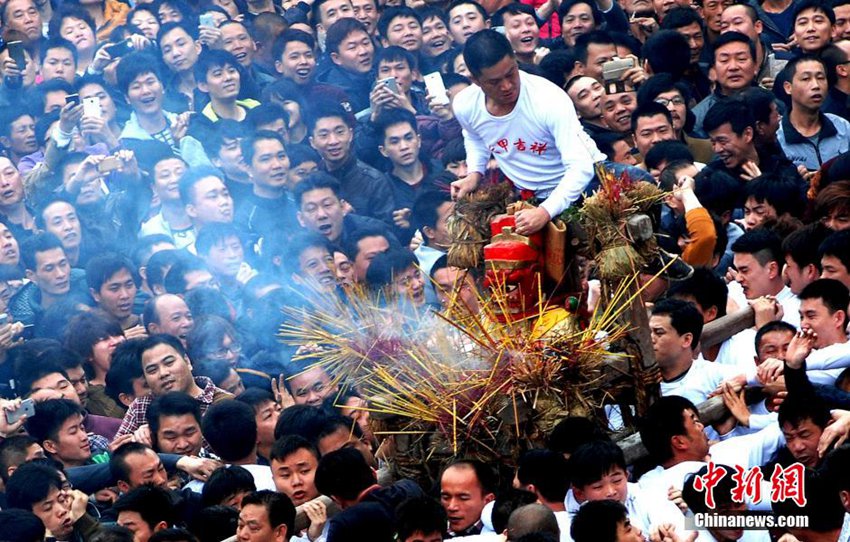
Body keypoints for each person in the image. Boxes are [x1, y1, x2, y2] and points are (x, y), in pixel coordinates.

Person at [451, 30, 605, 236]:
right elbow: (474, 136)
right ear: (476, 80)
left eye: (510, 74)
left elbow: (581, 167)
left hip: (587, 184)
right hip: (530, 196)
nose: (507, 86)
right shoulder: (465, 104)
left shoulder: (548, 98)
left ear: (515, 61)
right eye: (495, 82)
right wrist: (474, 174)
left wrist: (545, 212)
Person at [115, 334, 232, 438]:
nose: (163, 373)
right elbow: (117, 454)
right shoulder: (141, 406)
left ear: (187, 361)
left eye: (169, 362)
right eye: (152, 370)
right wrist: (137, 442)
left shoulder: (224, 403)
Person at [439, 459, 497, 537]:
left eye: (463, 498)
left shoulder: (502, 536)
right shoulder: (431, 533)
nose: (451, 507)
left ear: (488, 500)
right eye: (446, 497)